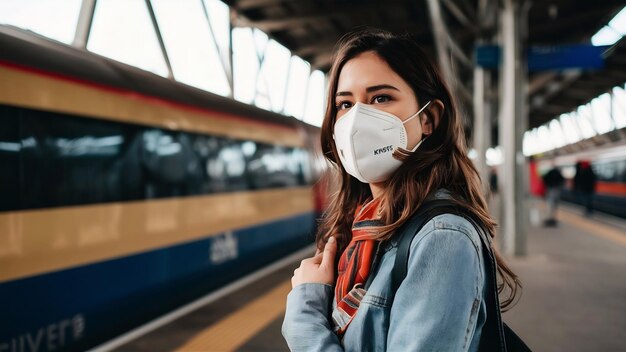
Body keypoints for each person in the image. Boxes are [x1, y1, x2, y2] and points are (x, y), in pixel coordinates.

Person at [281, 28, 521, 351]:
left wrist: (305, 313)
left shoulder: (442, 236)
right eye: (344, 104)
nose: (356, 120)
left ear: (429, 119)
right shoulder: (363, 225)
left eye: (381, 98)